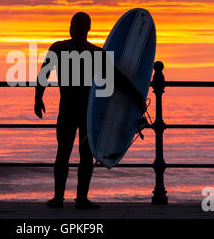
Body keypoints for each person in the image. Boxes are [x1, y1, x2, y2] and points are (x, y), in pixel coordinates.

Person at [34, 12, 146, 209]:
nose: (73, 28)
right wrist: (38, 98)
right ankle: (58, 198)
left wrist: (136, 97)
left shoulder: (94, 53)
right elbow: (43, 74)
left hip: (88, 113)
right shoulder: (59, 48)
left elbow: (117, 79)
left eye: (77, 25)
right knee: (63, 153)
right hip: (68, 110)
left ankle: (82, 198)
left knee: (86, 155)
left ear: (87, 29)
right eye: (72, 24)